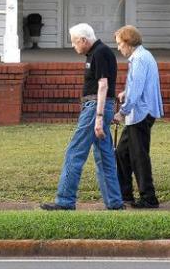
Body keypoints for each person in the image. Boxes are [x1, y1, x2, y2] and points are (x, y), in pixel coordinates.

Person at [41, 23, 124, 211]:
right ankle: (114, 202)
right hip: (98, 107)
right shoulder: (96, 52)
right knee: (104, 156)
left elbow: (103, 85)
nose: (73, 46)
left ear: (84, 40)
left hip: (95, 108)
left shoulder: (100, 53)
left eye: (74, 42)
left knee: (75, 152)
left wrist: (99, 117)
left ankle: (64, 201)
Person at [112, 25, 163, 208]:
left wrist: (121, 112)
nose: (118, 48)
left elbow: (136, 90)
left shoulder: (140, 59)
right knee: (122, 153)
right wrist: (126, 92)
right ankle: (125, 194)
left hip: (141, 113)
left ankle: (149, 198)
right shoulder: (143, 56)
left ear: (128, 42)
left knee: (138, 156)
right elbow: (137, 85)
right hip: (142, 112)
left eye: (119, 44)